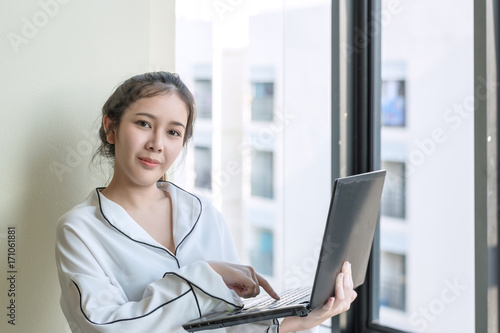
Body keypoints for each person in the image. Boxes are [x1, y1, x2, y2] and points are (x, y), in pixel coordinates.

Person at [55, 71, 357, 333]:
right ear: (111, 128)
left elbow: (226, 324)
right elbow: (105, 326)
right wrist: (206, 274)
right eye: (144, 124)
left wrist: (308, 318)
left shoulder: (204, 214)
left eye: (174, 132)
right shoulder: (79, 230)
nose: (157, 144)